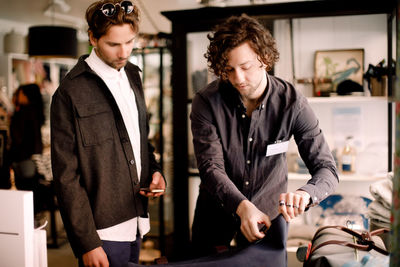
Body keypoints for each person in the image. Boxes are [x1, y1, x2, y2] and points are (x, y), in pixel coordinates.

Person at [190, 14, 339, 257]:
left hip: (268, 220)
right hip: (214, 216)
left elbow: (327, 169)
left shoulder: (293, 104)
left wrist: (305, 194)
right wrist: (242, 207)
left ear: (265, 58)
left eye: (246, 67)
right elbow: (210, 167)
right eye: (228, 70)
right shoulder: (206, 102)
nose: (238, 78)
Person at [50, 1, 166, 266]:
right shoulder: (69, 93)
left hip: (138, 219)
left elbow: (140, 139)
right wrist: (86, 242)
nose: (124, 52)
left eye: (130, 42)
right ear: (93, 37)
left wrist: (155, 172)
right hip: (102, 232)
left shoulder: (134, 75)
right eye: (113, 44)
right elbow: (66, 176)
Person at [9, 83, 44, 193]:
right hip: (31, 157)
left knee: (24, 189)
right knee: (29, 190)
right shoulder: (35, 111)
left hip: (22, 157)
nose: (19, 96)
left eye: (21, 93)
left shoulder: (24, 112)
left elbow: (17, 136)